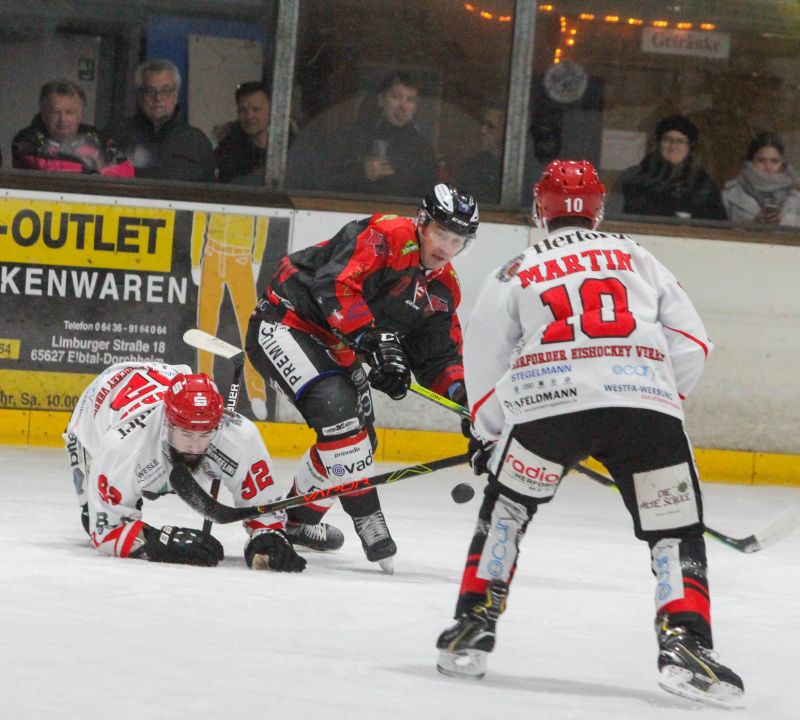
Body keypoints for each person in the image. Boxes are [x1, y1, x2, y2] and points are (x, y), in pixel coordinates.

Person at [435, 160, 744, 709]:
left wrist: (490, 434)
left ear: (539, 208)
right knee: (674, 532)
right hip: (646, 411)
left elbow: (484, 359)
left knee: (507, 511)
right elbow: (694, 343)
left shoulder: (515, 269)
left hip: (547, 409)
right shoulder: (637, 256)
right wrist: (653, 397)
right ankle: (687, 643)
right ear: (598, 211)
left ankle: (473, 624)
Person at [246, 183, 479, 572]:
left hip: (338, 346)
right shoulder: (385, 235)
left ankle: (298, 522)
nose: (446, 247)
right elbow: (335, 286)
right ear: (422, 223)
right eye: (441, 233)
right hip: (285, 323)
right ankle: (368, 519)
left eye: (457, 240)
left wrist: (466, 400)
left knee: (359, 439)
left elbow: (438, 358)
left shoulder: (443, 288)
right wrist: (374, 341)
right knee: (340, 419)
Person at [64, 361, 305, 572]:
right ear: (168, 422)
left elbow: (263, 507)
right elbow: (106, 529)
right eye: (186, 433)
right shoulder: (123, 445)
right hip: (97, 405)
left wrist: (267, 535)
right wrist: (161, 541)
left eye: (205, 434)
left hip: (160, 382)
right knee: (91, 520)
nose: (195, 447)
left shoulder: (238, 435)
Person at [328, 71, 438, 198]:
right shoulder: (352, 136)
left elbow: (429, 196)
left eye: (410, 100)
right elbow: (327, 181)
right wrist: (362, 172)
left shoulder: (423, 149)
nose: (403, 106)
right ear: (381, 100)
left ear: (416, 107)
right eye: (396, 97)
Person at [105, 59, 215, 182]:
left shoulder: (196, 142)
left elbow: (210, 194)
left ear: (176, 96)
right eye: (150, 91)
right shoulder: (116, 133)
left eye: (165, 90)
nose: (158, 98)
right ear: (140, 95)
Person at [12, 79, 134, 177]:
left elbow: (125, 168)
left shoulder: (96, 136)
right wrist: (91, 167)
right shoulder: (25, 138)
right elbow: (45, 167)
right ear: (43, 113)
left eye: (69, 112)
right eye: (55, 112)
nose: (63, 119)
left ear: (80, 115)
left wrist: (99, 173)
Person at [615, 115, 726, 221]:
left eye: (680, 141)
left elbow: (718, 224)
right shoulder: (634, 177)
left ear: (690, 146)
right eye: (667, 140)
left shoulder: (703, 183)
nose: (673, 146)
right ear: (659, 143)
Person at [722, 131, 800, 227]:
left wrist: (782, 221)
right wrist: (754, 224)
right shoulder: (731, 194)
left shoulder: (796, 196)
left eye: (774, 161)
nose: (768, 167)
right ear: (751, 161)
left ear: (782, 163)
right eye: (761, 160)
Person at [215, 81, 270, 184]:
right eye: (242, 110)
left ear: (271, 110)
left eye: (256, 109)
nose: (249, 116)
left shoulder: (290, 145)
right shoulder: (228, 152)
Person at [455, 102, 505, 205]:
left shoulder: (523, 170)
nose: (483, 130)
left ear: (505, 130)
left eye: (490, 126)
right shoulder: (471, 167)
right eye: (483, 124)